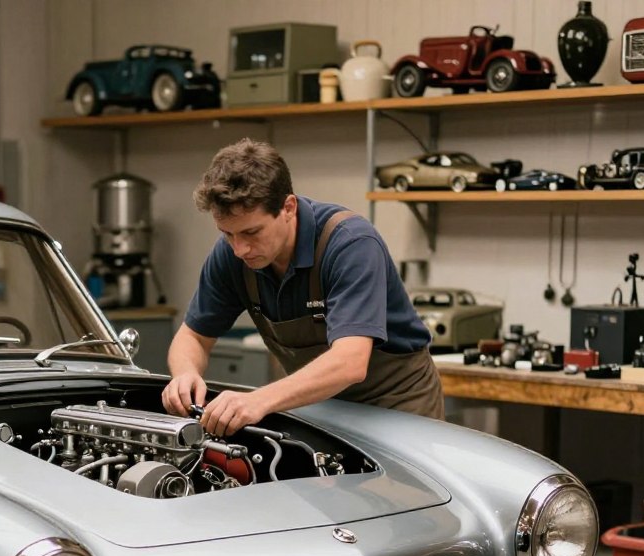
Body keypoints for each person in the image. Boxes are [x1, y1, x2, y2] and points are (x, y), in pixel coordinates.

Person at [161, 138, 444, 436]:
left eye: (252, 232)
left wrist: (259, 400)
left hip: (399, 407)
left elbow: (350, 362)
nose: (240, 249)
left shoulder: (351, 245)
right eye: (227, 234)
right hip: (322, 404)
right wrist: (185, 375)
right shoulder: (231, 256)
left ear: (288, 208)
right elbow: (193, 336)